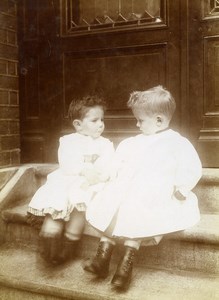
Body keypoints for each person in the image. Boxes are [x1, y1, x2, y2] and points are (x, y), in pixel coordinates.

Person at [84, 86, 202, 290]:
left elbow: (192, 167)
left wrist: (181, 188)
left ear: (159, 120)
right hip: (127, 187)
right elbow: (117, 162)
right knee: (112, 205)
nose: (136, 124)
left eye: (140, 120)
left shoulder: (177, 143)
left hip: (155, 192)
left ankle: (126, 264)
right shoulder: (132, 142)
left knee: (139, 210)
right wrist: (108, 174)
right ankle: (102, 258)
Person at [27, 95, 114, 265]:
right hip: (68, 178)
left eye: (102, 119)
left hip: (89, 183)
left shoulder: (105, 144)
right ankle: (49, 241)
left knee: (80, 207)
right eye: (95, 120)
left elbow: (108, 165)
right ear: (78, 124)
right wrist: (83, 170)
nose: (101, 124)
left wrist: (99, 175)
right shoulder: (68, 141)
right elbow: (66, 163)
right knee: (57, 202)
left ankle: (69, 245)